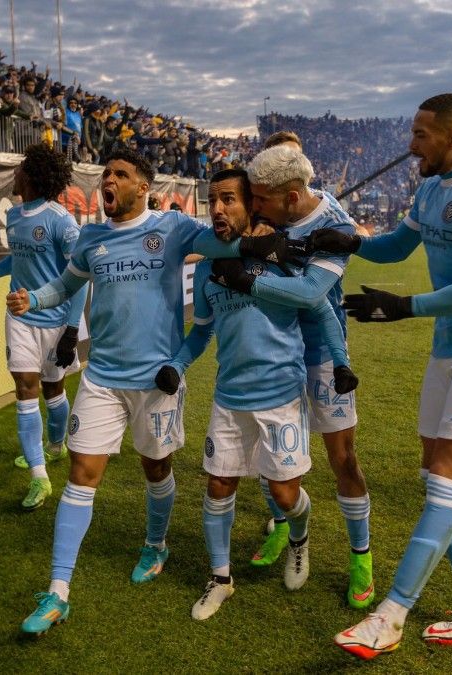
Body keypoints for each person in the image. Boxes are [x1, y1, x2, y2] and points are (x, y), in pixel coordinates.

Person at [3, 148, 292, 637]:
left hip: (156, 382)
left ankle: (156, 544)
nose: (109, 181)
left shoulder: (173, 231)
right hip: (102, 380)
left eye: (121, 174)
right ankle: (58, 590)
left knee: (156, 467)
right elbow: (64, 286)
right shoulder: (91, 238)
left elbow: (224, 244)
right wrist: (34, 297)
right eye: (107, 174)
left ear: (144, 188)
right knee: (81, 473)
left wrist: (261, 233)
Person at [312, 93, 452, 660]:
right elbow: (395, 247)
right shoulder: (431, 187)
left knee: (443, 484)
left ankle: (391, 615)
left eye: (421, 135)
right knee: (440, 478)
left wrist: (405, 307)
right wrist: (350, 241)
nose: (411, 145)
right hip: (450, 348)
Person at [164, 168, 354, 620]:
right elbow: (202, 331)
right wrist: (176, 364)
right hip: (229, 397)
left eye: (229, 199)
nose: (217, 209)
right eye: (212, 200)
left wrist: (342, 360)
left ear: (252, 204)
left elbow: (321, 307)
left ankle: (299, 539)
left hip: (282, 396)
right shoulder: (211, 266)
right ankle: (220, 578)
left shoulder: (284, 255)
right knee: (217, 485)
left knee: (286, 496)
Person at [209, 143, 375, 610]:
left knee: (342, 459)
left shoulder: (334, 226)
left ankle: (360, 556)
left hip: (320, 353)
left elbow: (309, 293)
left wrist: (247, 277)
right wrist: (251, 241)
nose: (253, 205)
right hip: (270, 353)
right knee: (269, 455)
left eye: (259, 198)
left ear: (293, 196)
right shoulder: (275, 207)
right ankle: (283, 528)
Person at [0, 143, 87, 510]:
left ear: (31, 175)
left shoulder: (61, 220)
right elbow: (17, 260)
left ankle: (55, 447)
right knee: (25, 387)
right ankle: (39, 476)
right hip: (20, 317)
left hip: (57, 319)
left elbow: (79, 277)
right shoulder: (14, 216)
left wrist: (72, 330)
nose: (14, 173)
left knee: (54, 391)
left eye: (19, 168)